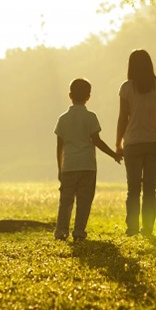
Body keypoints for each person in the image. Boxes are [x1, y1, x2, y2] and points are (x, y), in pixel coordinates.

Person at [54, 78, 122, 241]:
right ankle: (79, 231)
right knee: (84, 201)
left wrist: (60, 168)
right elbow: (97, 141)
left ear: (70, 95)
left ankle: (62, 231)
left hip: (69, 166)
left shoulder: (63, 119)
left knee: (66, 201)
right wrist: (114, 154)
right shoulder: (91, 117)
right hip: (87, 166)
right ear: (89, 97)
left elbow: (59, 146)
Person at [116, 49, 156, 236]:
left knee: (133, 189)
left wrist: (118, 142)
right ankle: (147, 228)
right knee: (150, 188)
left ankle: (132, 228)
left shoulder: (127, 87)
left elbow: (123, 117)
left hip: (133, 142)